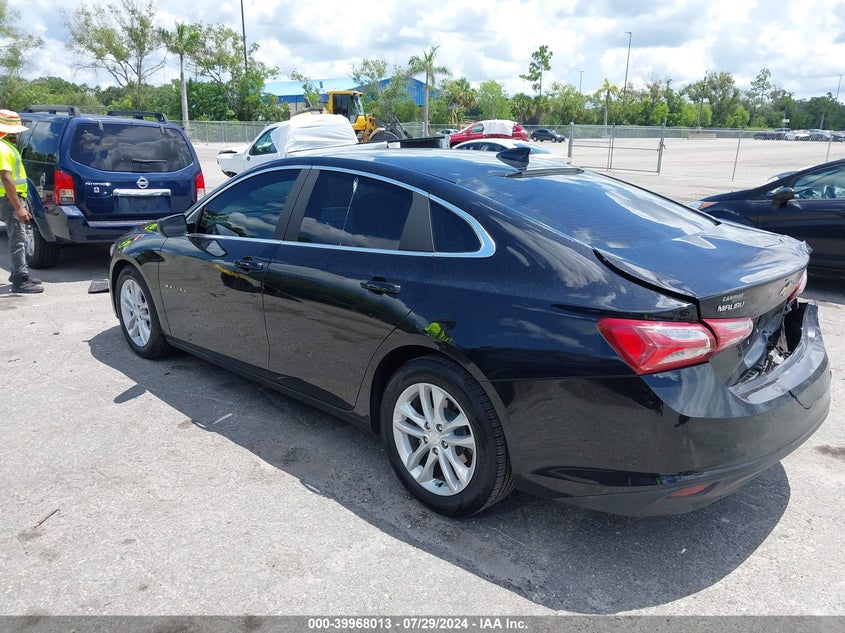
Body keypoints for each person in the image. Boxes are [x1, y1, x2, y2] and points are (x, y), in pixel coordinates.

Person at [0, 109, 42, 293]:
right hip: (10, 200)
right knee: (18, 239)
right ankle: (20, 279)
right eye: (15, 130)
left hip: (14, 198)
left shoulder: (7, 147)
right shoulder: (2, 148)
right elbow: (7, 178)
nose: (17, 134)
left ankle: (19, 272)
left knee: (21, 237)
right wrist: (18, 207)